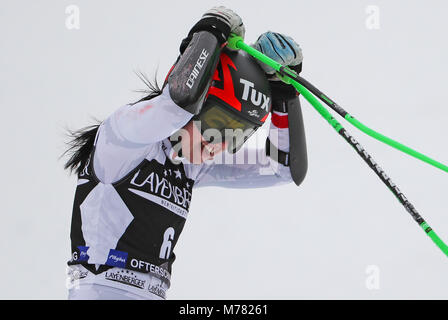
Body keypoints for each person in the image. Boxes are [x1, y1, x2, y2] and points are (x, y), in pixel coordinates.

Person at [63, 6, 307, 300]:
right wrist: (211, 30)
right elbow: (175, 104)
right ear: (199, 103)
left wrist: (284, 94)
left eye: (238, 134)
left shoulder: (191, 167)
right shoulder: (124, 138)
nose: (217, 145)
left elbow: (283, 167)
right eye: (217, 124)